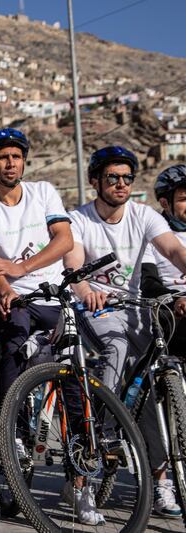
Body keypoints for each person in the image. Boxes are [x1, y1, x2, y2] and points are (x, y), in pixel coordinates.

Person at [64, 147, 186, 522]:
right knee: (116, 349)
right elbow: (73, 262)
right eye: (112, 178)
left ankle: (163, 480)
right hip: (96, 310)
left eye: (127, 178)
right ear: (96, 181)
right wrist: (85, 290)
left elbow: (172, 249)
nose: (120, 184)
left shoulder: (144, 215)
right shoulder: (79, 219)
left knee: (150, 390)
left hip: (136, 311)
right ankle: (96, 446)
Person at [0, 128, 73, 406]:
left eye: (17, 156)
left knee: (73, 364)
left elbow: (64, 240)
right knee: (13, 354)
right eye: (3, 157)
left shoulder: (43, 192)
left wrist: (22, 267)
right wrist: (5, 289)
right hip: (17, 300)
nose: (11, 163)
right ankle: (12, 432)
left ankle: (83, 438)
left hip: (54, 295)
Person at [140, 163, 186, 519]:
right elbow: (148, 279)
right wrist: (174, 298)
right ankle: (161, 479)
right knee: (151, 403)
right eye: (184, 199)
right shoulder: (156, 233)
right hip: (166, 318)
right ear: (166, 203)